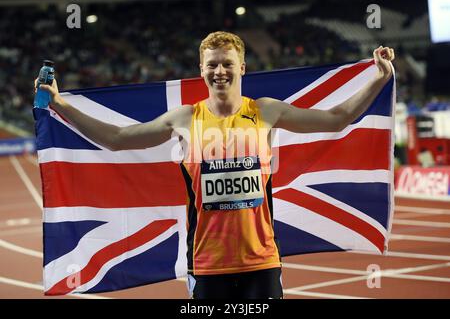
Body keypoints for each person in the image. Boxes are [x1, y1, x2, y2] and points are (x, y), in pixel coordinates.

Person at [35, 31, 395, 299]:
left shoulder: (265, 111)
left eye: (226, 63)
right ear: (201, 70)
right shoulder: (184, 118)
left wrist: (379, 77)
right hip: (207, 265)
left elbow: (336, 118)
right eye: (212, 65)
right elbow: (117, 138)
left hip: (262, 262)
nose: (219, 71)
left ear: (242, 66)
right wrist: (60, 104)